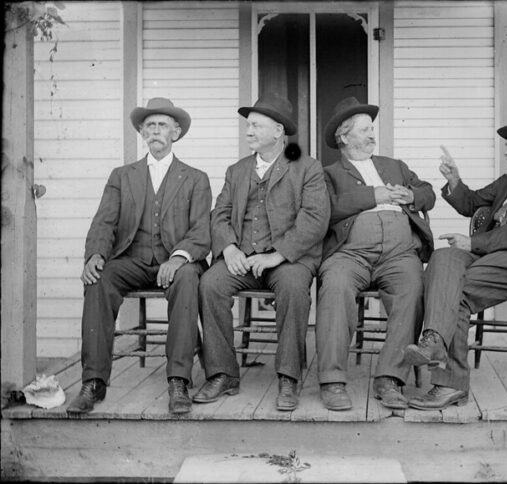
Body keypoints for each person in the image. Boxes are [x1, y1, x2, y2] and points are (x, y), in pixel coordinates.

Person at [67, 98, 212, 415]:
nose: (156, 131)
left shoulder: (195, 178)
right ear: (142, 132)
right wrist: (94, 255)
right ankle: (93, 382)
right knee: (99, 279)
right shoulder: (122, 176)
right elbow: (104, 222)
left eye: (163, 125)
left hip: (175, 263)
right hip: (132, 261)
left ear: (175, 132)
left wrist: (178, 258)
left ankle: (178, 380)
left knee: (187, 278)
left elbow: (202, 231)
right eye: (150, 125)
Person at [404, 115, 507, 410]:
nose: (506, 150)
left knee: (454, 293)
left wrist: (474, 243)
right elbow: (471, 202)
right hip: (486, 254)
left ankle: (448, 380)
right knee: (443, 255)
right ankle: (434, 341)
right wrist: (454, 181)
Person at [194, 93, 330, 411]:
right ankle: (222, 373)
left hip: (286, 260)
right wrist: (228, 248)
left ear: (278, 131)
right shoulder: (237, 170)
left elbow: (315, 219)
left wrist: (277, 254)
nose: (248, 131)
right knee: (210, 284)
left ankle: (288, 377)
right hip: (242, 256)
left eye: (256, 125)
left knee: (295, 288)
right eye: (248, 125)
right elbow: (220, 214)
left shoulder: (307, 167)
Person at [316, 97, 435, 411]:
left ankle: (390, 378)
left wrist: (412, 194)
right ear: (344, 137)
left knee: (413, 288)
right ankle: (332, 381)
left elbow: (428, 192)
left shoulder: (392, 165)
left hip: (399, 253)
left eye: (372, 130)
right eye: (365, 130)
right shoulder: (327, 173)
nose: (372, 136)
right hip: (349, 253)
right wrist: (374, 195)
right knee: (335, 288)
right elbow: (325, 210)